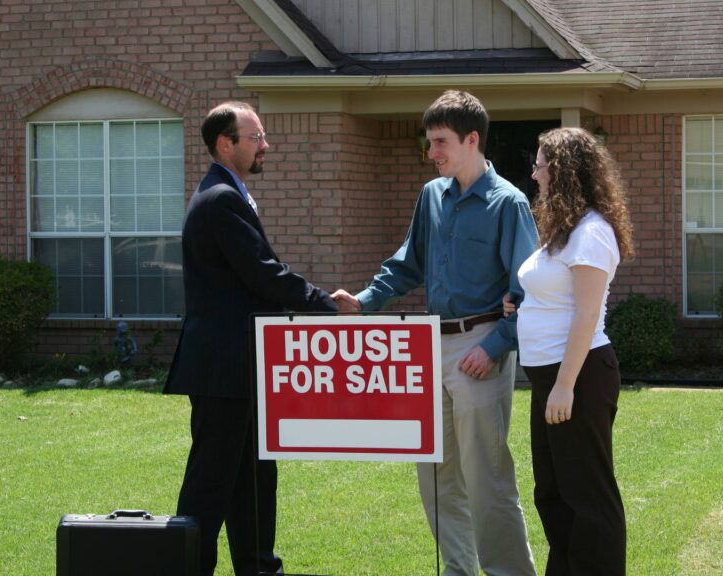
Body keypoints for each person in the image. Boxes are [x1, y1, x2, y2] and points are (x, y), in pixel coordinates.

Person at [333, 90, 538, 576]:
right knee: (435, 477)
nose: (432, 153)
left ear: (472, 140)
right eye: (429, 143)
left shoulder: (508, 204)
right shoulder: (432, 196)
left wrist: (494, 348)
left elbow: (528, 292)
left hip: (479, 348)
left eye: (440, 142)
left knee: (487, 477)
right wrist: (363, 303)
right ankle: (458, 571)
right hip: (427, 347)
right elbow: (408, 265)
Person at [164, 101, 339, 576]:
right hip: (224, 367)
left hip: (244, 363)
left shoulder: (227, 194)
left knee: (255, 477)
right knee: (211, 482)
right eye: (256, 137)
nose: (266, 145)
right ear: (227, 143)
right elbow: (264, 274)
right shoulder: (220, 199)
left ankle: (259, 568)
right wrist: (328, 306)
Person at [504, 127, 633, 576]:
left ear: (561, 171)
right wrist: (523, 302)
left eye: (540, 163)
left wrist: (564, 386)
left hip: (577, 376)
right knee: (553, 493)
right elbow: (556, 294)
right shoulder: (565, 230)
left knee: (588, 495)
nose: (534, 172)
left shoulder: (592, 232)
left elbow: (586, 314)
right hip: (550, 378)